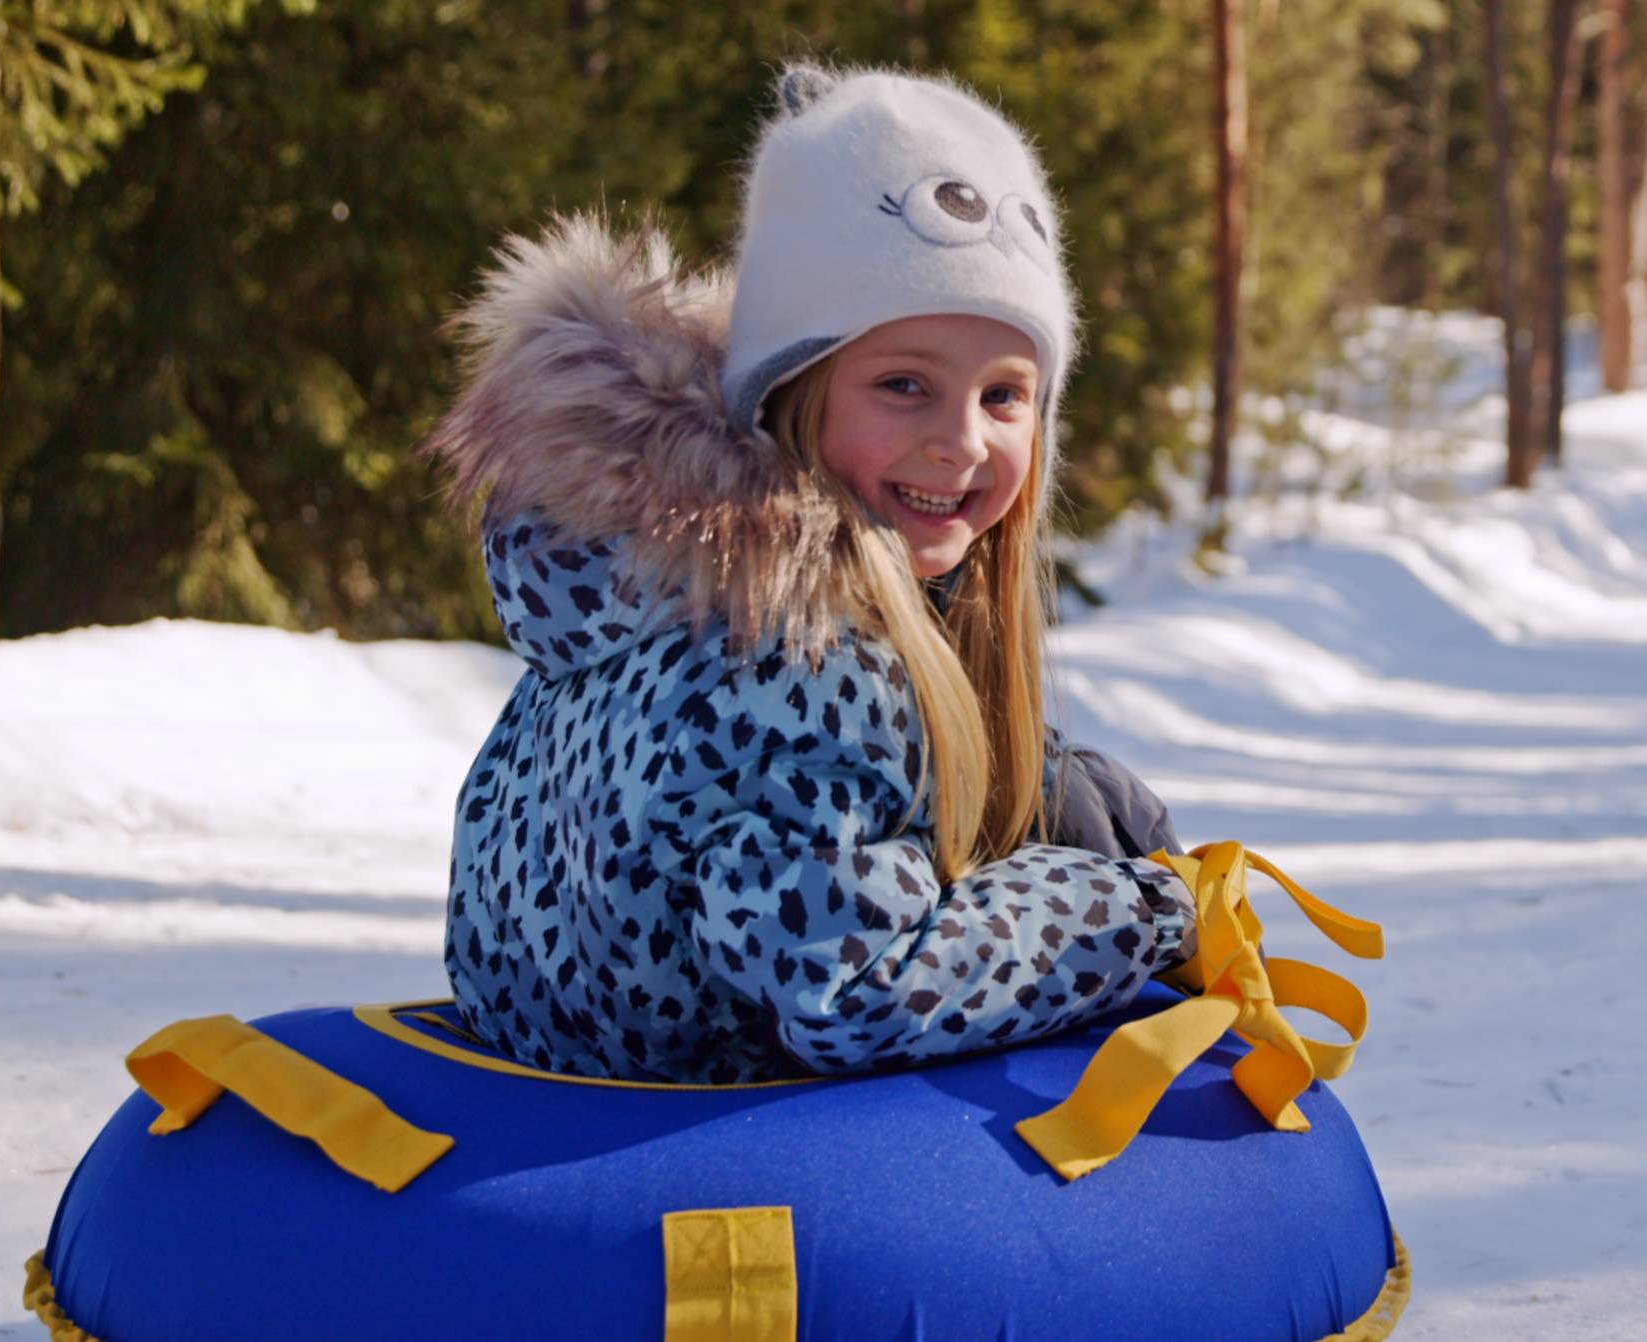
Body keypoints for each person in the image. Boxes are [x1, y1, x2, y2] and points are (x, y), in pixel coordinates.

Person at [422, 63, 1195, 1085]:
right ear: (793, 389)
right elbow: (858, 988)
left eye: (1005, 395)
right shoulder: (804, 665)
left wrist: (1035, 791)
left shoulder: (638, 591)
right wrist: (1127, 907)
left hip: (551, 1105)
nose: (960, 443)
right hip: (691, 1182)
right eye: (903, 384)